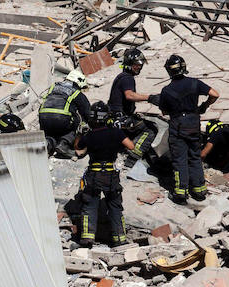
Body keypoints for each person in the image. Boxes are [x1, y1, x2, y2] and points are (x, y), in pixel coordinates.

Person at [144, 54, 219, 204]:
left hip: (177, 125)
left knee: (180, 160)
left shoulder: (166, 90)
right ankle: (199, 190)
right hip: (193, 123)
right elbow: (215, 94)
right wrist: (204, 106)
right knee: (195, 156)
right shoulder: (195, 83)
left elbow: (164, 112)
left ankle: (181, 192)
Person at [75, 102, 136, 247]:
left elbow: (78, 150)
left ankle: (87, 238)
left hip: (94, 174)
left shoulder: (89, 135)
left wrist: (79, 134)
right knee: (115, 206)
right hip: (110, 174)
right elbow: (131, 146)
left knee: (89, 205)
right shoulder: (115, 132)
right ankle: (120, 239)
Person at [38, 69, 93, 158]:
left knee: (51, 130)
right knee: (79, 120)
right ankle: (64, 143)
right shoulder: (76, 92)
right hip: (61, 119)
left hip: (43, 117)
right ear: (78, 82)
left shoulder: (53, 87)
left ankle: (48, 144)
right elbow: (87, 112)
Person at [108, 48, 149, 118]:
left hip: (117, 115)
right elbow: (130, 95)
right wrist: (150, 98)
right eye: (136, 65)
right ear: (129, 64)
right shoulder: (127, 78)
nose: (139, 67)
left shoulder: (122, 76)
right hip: (120, 118)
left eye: (141, 65)